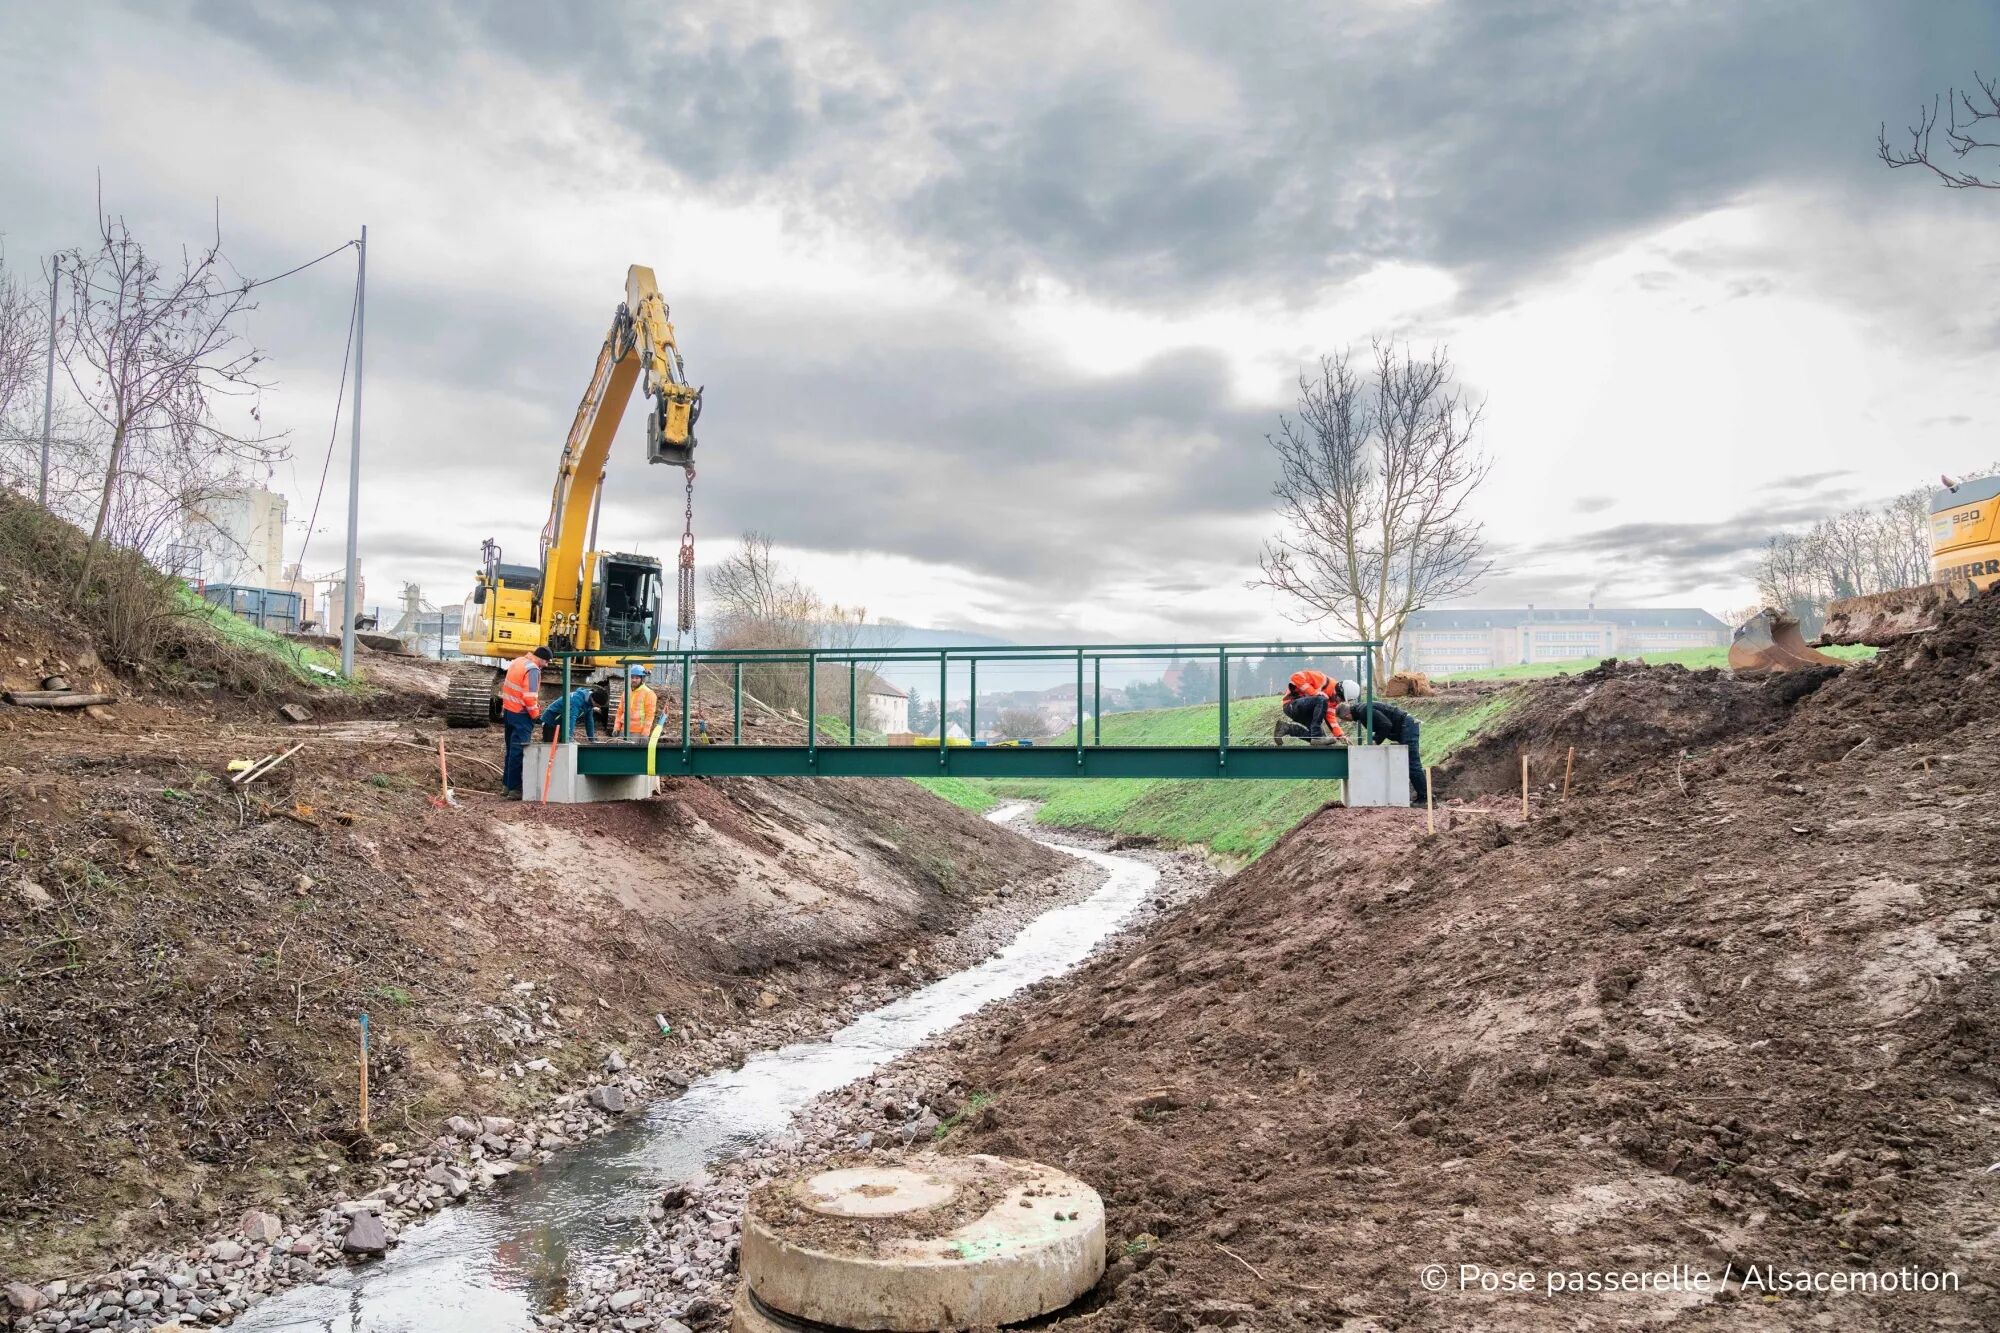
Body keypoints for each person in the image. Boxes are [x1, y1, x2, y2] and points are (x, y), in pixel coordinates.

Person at [1336, 698, 1428, 802]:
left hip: (1406, 725)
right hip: (1404, 726)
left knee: (1412, 764)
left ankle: (1425, 798)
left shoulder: (1364, 711)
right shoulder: (1361, 709)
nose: (1348, 721)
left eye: (1345, 720)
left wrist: (1376, 741)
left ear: (1346, 716)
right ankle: (1422, 796)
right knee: (1410, 763)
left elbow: (1385, 725)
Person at [500, 645, 552, 799]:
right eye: (547, 662)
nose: (547, 665)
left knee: (510, 750)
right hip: (521, 715)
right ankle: (515, 789)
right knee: (519, 751)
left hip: (509, 711)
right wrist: (536, 715)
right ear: (541, 659)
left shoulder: (518, 661)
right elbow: (529, 697)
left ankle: (506, 785)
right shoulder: (533, 669)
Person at [1274, 669, 1345, 745]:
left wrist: (1340, 735)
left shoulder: (1333, 700)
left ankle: (1287, 728)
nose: (1339, 702)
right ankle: (1316, 737)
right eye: (1340, 699)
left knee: (1322, 742)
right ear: (1338, 692)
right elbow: (1295, 677)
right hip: (1291, 704)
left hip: (1306, 710)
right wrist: (1315, 693)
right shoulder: (1321, 679)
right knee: (1321, 699)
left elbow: (1331, 718)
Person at [611, 664, 659, 737]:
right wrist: (616, 727)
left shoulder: (649, 693)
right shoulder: (626, 692)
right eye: (632, 677)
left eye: (637, 678)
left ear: (642, 679)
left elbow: (650, 716)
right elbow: (620, 712)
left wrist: (645, 733)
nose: (634, 680)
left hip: (638, 733)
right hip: (623, 731)